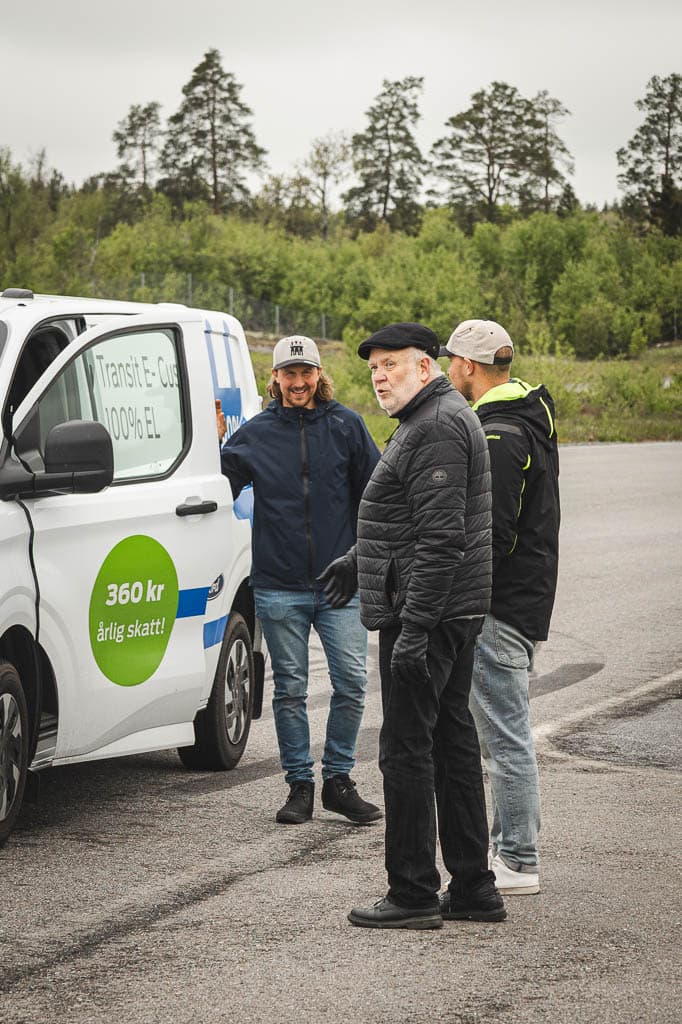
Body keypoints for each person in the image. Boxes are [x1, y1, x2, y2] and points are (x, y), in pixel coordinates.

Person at [320, 322, 506, 929]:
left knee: (405, 749)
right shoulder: (430, 419)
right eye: (373, 367)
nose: (379, 376)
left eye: (392, 365)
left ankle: (413, 893)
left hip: (428, 614)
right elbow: (411, 521)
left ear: (426, 367)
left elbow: (442, 538)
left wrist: (418, 628)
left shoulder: (435, 427)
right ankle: (474, 888)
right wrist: (358, 561)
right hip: (443, 609)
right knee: (452, 745)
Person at [220, 334, 382, 826]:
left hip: (340, 583)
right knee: (289, 690)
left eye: (305, 373)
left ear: (318, 375)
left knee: (352, 683)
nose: (297, 382)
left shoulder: (348, 426)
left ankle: (337, 779)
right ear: (274, 378)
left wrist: (359, 558)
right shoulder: (255, 434)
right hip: (278, 584)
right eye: (288, 374)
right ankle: (299, 786)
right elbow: (214, 486)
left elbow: (376, 496)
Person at [442, 319, 560, 895]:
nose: (447, 371)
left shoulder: (499, 433)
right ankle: (509, 847)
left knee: (505, 737)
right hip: (520, 602)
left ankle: (517, 856)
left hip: (499, 607)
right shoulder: (526, 420)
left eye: (450, 362)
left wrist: (461, 595)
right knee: (501, 734)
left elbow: (493, 531)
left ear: (467, 365)